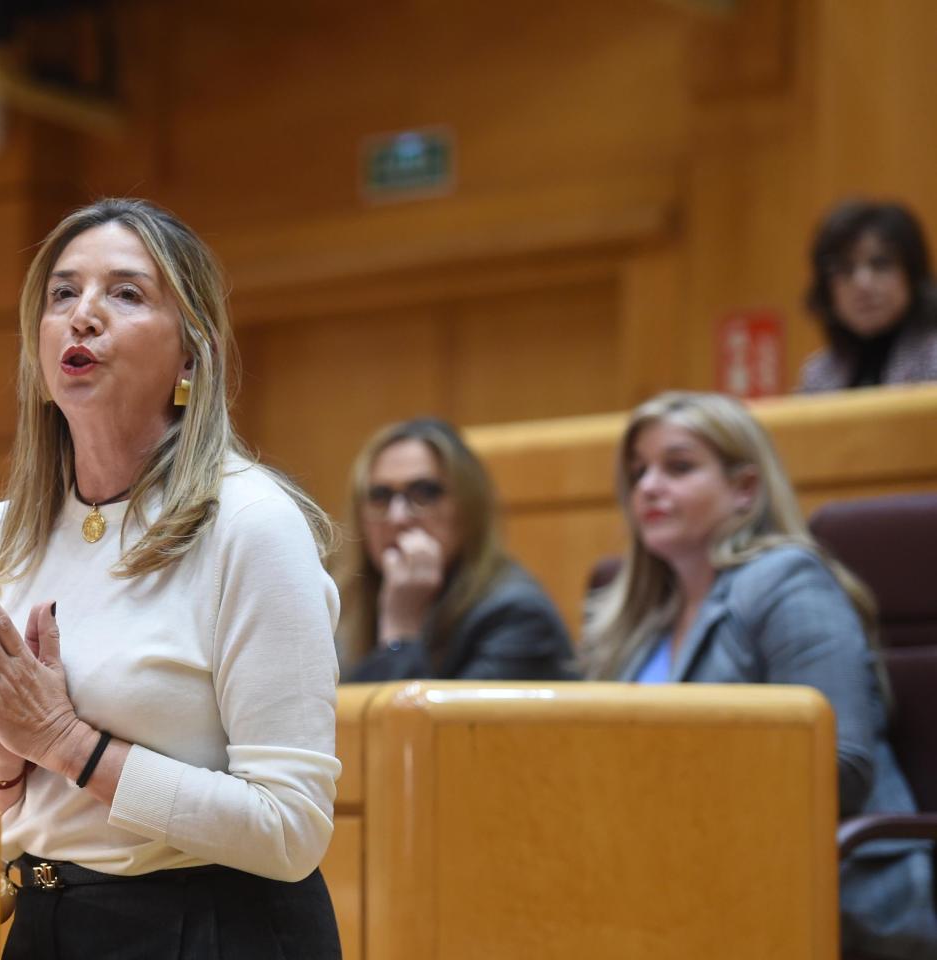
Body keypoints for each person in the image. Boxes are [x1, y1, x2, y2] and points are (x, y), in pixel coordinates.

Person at [0, 198, 344, 959]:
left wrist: (65, 743)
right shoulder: (0, 536)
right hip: (46, 923)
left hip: (213, 930)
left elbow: (291, 830)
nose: (82, 315)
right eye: (63, 293)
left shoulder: (251, 525)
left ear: (191, 357)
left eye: (125, 293)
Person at [584, 390, 936, 958]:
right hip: (684, 885)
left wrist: (671, 802)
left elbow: (841, 766)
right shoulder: (637, 622)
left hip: (825, 893)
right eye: (638, 472)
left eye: (677, 467)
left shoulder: (786, 582)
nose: (648, 487)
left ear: (744, 489)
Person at [336, 418, 574, 683]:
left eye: (424, 492)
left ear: (468, 508)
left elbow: (417, 712)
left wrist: (400, 632)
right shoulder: (348, 610)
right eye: (380, 496)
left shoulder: (519, 617)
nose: (397, 517)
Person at [798, 199, 937, 391]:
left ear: (913, 275)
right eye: (845, 269)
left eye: (880, 264)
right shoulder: (818, 376)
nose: (863, 284)